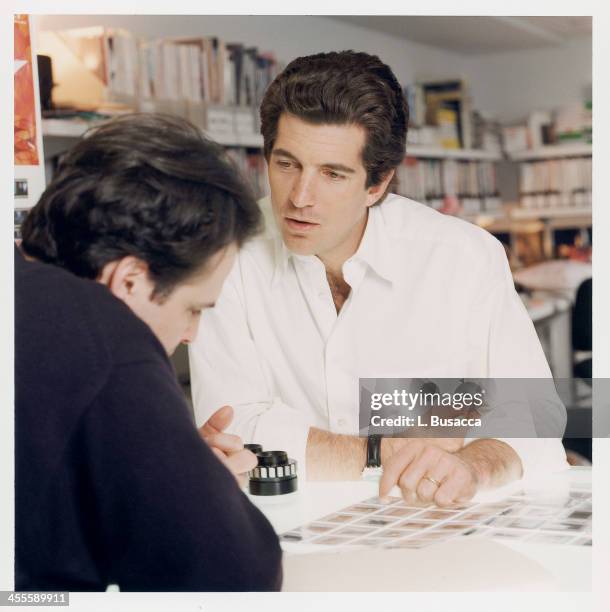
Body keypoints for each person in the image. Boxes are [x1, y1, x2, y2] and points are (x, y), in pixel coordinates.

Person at [189, 51, 568, 508]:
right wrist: (383, 450)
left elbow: (533, 414)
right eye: (286, 164)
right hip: (286, 521)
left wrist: (471, 464)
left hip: (435, 521)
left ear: (378, 183)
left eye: (332, 174)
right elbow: (232, 429)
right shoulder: (226, 251)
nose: (300, 198)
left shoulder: (464, 256)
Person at [15, 113, 282, 591]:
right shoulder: (103, 331)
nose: (192, 334)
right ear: (129, 281)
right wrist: (201, 484)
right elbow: (235, 576)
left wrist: (153, 455)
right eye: (194, 309)